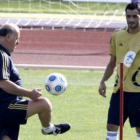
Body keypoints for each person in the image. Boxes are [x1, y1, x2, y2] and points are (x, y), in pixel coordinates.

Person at [0, 23, 70, 140]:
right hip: (6, 108)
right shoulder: (2, 55)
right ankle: (48, 129)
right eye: (17, 39)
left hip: (6, 109)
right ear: (8, 37)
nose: (18, 42)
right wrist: (29, 93)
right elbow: (3, 83)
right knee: (44, 104)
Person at [98, 2, 140, 140]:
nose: (131, 20)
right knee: (111, 125)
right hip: (120, 90)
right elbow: (112, 63)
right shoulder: (117, 36)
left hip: (138, 92)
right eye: (129, 16)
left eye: (135, 16)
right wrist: (103, 81)